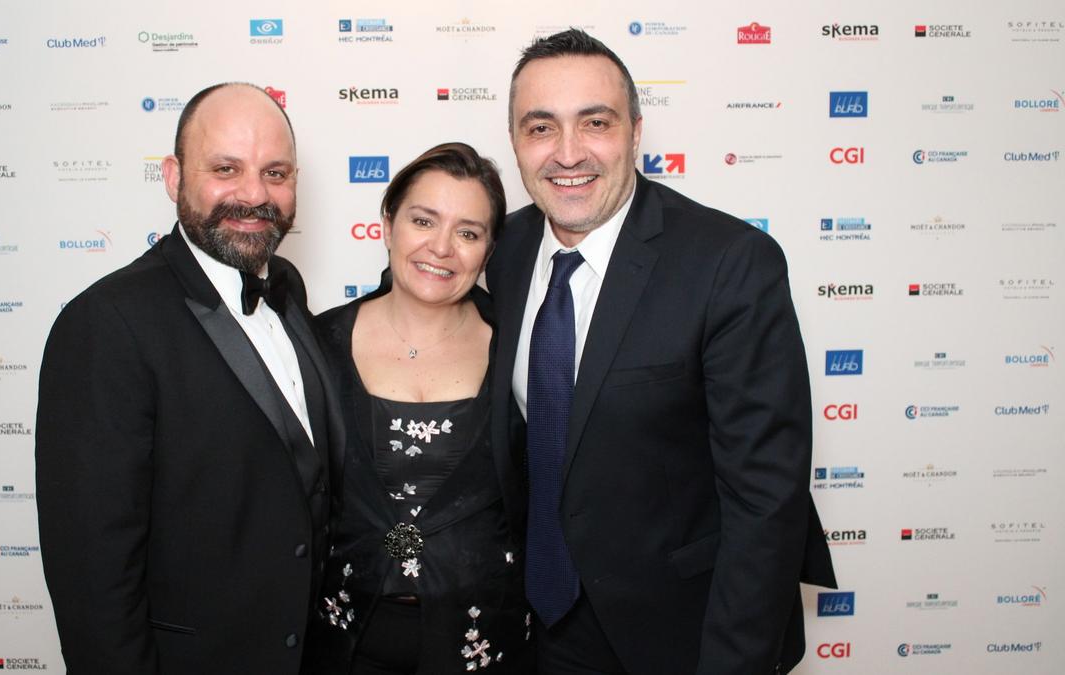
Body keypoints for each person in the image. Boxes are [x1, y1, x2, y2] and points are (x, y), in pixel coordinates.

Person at [485, 30, 837, 674]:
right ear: (514, 141)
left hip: (681, 633)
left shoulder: (729, 264)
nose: (568, 152)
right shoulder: (502, 250)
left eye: (596, 122)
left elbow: (766, 500)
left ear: (636, 133)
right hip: (538, 627)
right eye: (540, 127)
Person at [35, 82, 340, 674]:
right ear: (174, 177)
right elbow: (92, 579)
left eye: (275, 173)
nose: (255, 194)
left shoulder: (288, 290)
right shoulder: (105, 324)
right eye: (226, 169)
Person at [305, 143, 532, 674]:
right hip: (340, 644)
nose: (441, 247)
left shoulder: (521, 350)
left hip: (486, 645)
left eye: (468, 233)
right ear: (388, 224)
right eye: (423, 221)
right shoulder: (314, 345)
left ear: (489, 250)